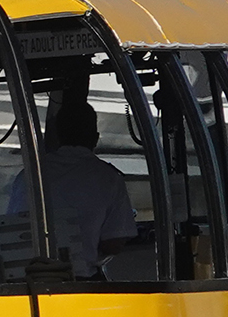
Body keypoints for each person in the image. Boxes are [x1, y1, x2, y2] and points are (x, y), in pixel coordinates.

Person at [8, 92, 140, 278]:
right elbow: (114, 243)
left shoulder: (28, 175)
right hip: (77, 280)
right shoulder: (108, 178)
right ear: (95, 138)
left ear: (58, 136)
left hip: (25, 278)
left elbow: (12, 228)